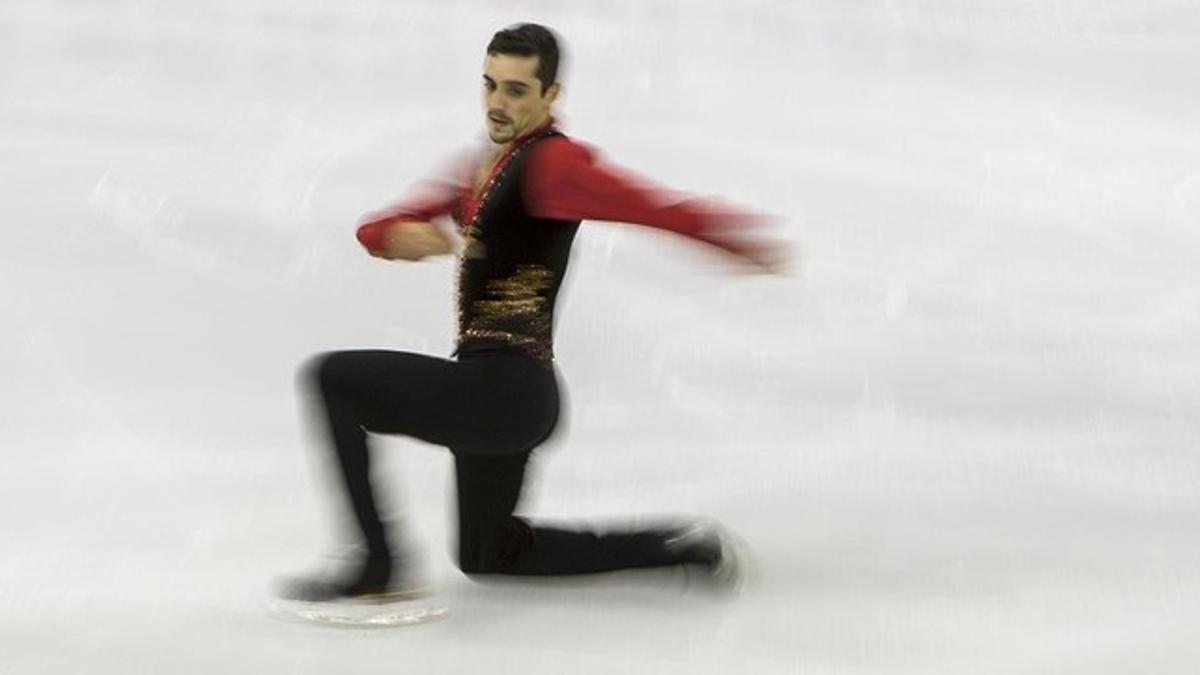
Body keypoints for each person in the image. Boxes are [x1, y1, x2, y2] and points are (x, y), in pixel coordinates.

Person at [281, 23, 781, 602]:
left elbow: (648, 208)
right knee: (489, 554)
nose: (497, 102)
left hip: (502, 390)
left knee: (333, 379)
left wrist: (732, 239)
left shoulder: (551, 166)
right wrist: (402, 237)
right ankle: (677, 546)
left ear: (550, 96)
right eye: (490, 85)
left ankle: (376, 565)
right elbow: (375, 228)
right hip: (502, 393)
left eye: (516, 90)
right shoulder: (481, 169)